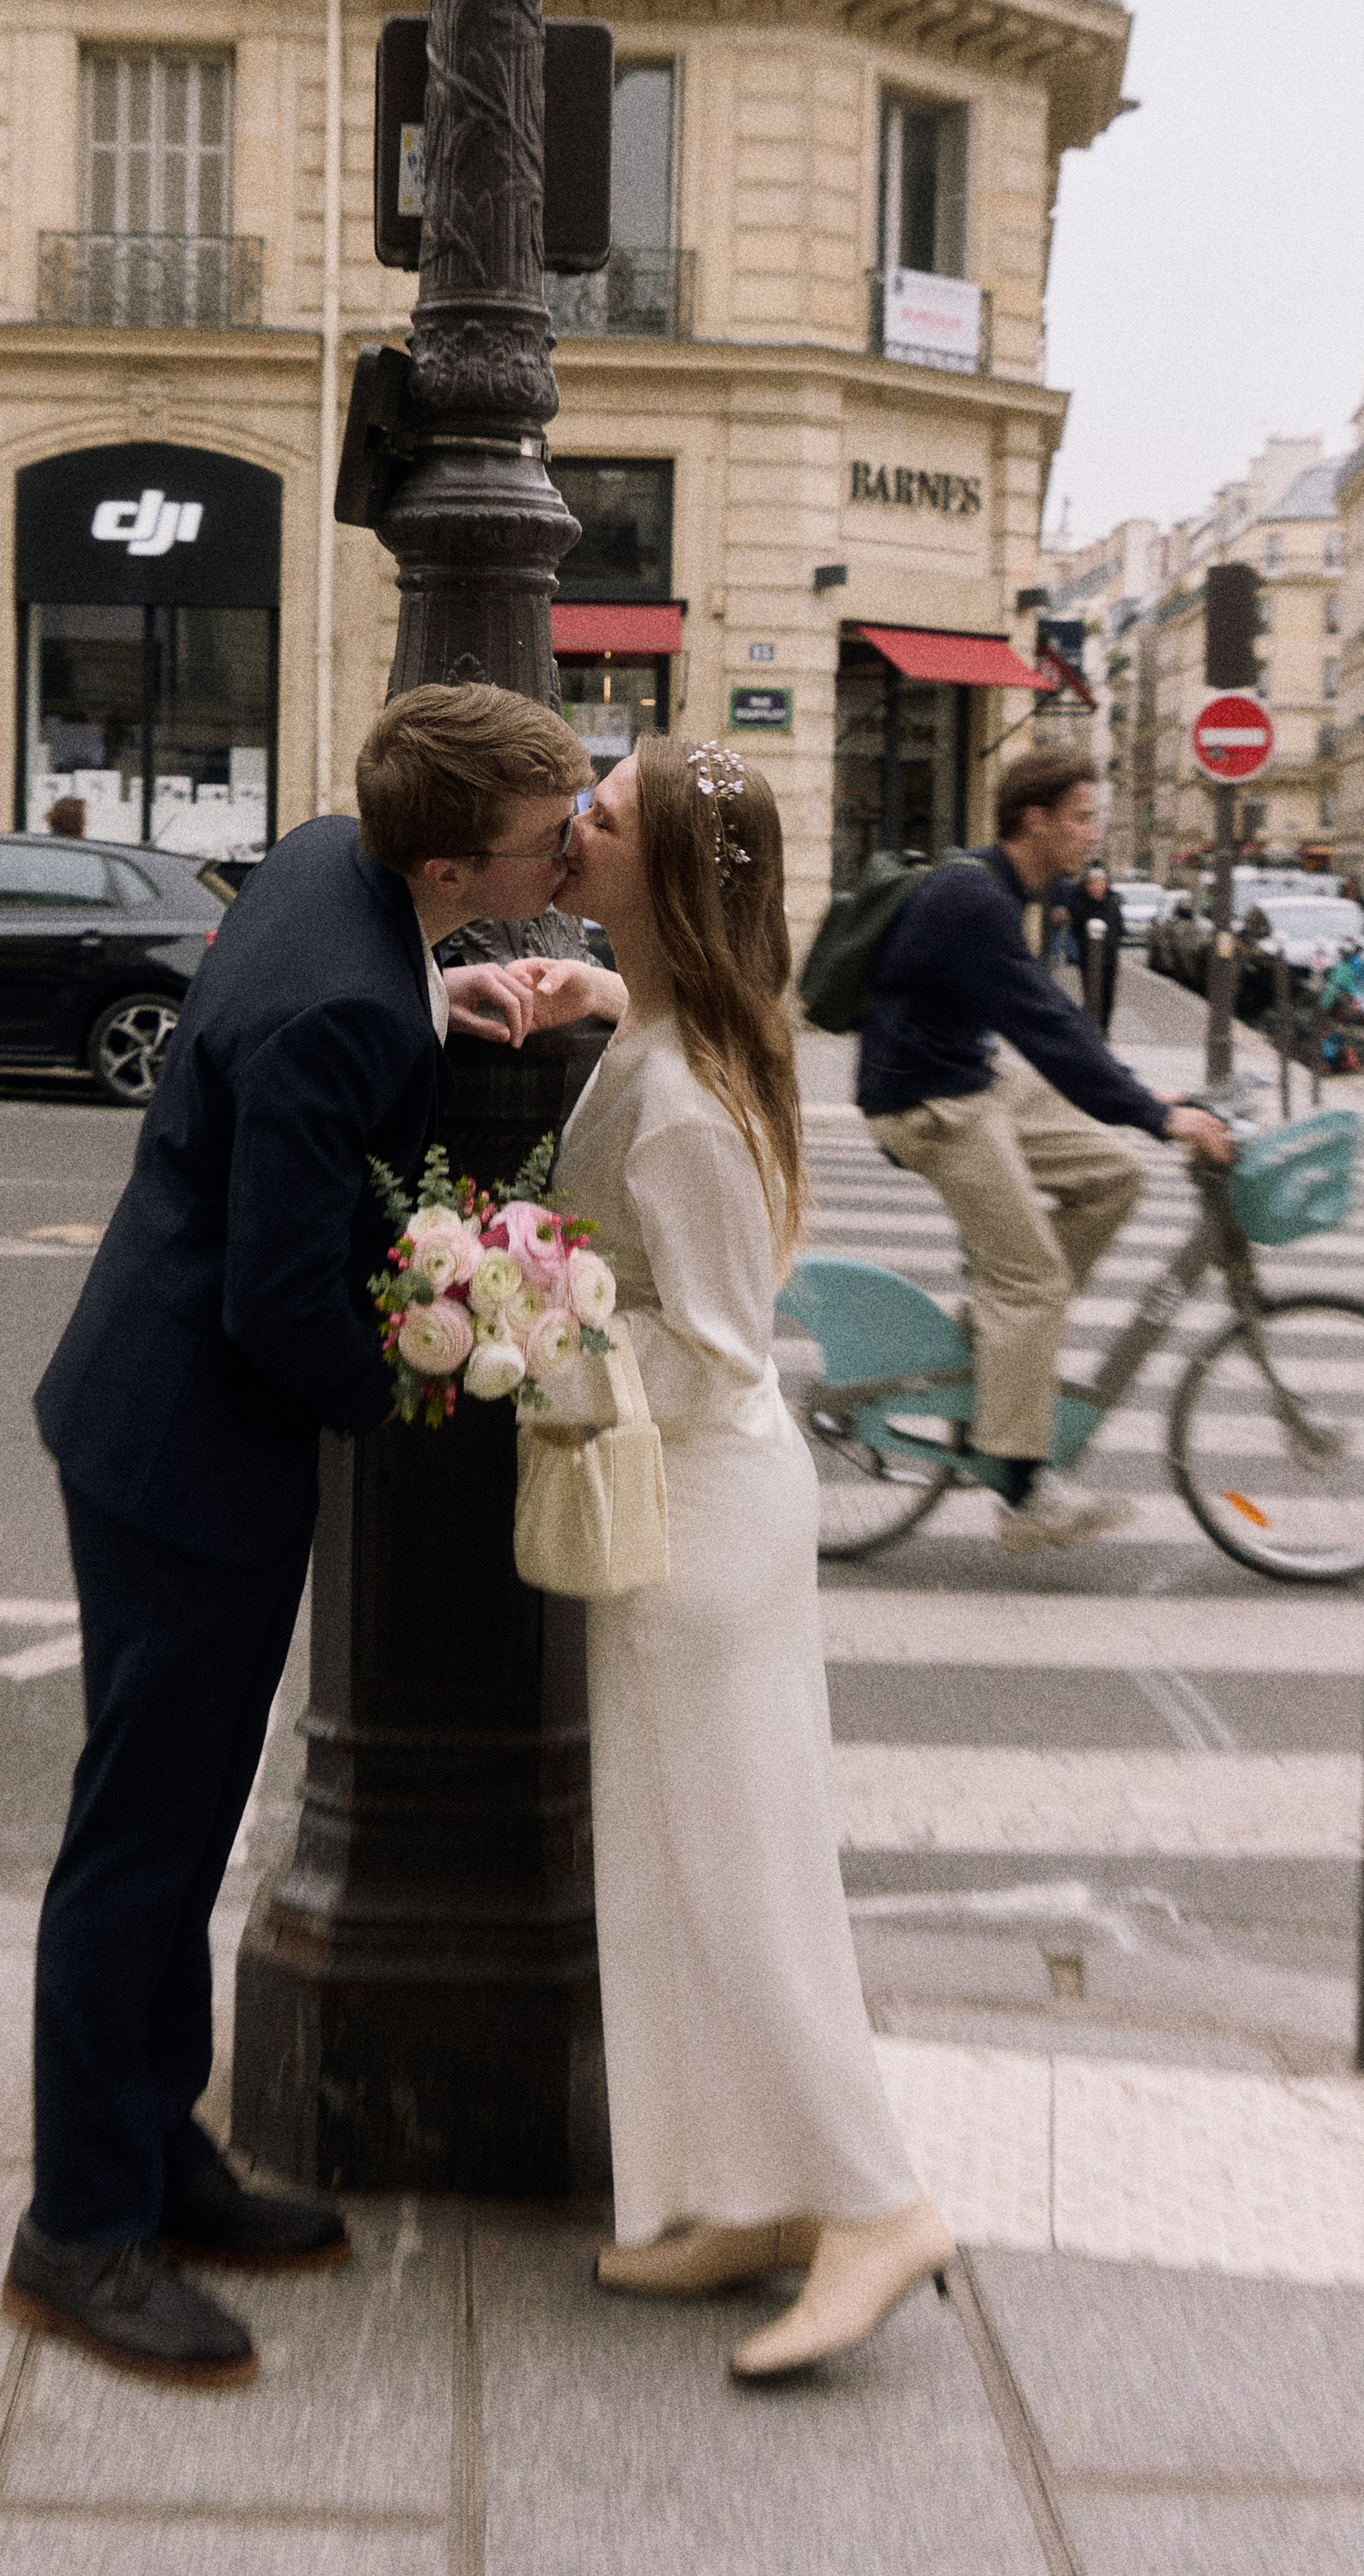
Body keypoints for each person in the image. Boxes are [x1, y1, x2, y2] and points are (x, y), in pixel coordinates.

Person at [6, 683, 594, 2389]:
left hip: (150, 1415)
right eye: (542, 840)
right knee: (142, 1841)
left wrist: (432, 987)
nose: (565, 857)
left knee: (180, 1826)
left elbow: (330, 1024)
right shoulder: (343, 998)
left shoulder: (335, 866)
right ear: (448, 860)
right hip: (186, 1458)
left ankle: (155, 2153)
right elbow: (278, 1304)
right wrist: (415, 1387)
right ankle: (77, 2230)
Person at [546, 738, 955, 2380]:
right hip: (688, 1516)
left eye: (601, 815)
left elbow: (713, 1354)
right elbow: (649, 1051)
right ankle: (748, 2195)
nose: (570, 819)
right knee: (672, 1874)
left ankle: (874, 2205)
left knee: (741, 1882)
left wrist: (525, 1321)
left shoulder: (685, 1098)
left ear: (665, 875)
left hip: (703, 1519)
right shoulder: (662, 1037)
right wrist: (588, 996)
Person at [857, 751, 1232, 1544]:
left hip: (968, 1079)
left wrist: (1143, 1102)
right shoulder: (974, 898)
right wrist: (1153, 1113)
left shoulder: (1004, 889)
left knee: (1114, 1173)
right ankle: (1025, 1494)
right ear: (1037, 821)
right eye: (1082, 818)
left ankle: (1000, 1332)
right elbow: (1046, 1025)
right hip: (925, 1102)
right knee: (1032, 1280)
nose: (1093, 834)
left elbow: (1054, 1021)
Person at [1064, 861, 1124, 1031]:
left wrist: (1111, 945)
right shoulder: (1081, 905)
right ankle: (1091, 1027)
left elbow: (1119, 928)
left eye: (1100, 883)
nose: (1097, 887)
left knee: (1108, 995)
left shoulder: (1112, 905)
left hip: (1109, 958)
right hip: (1089, 958)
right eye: (1093, 884)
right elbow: (1076, 929)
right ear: (1088, 886)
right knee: (1091, 993)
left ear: (1106, 885)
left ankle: (1104, 1028)